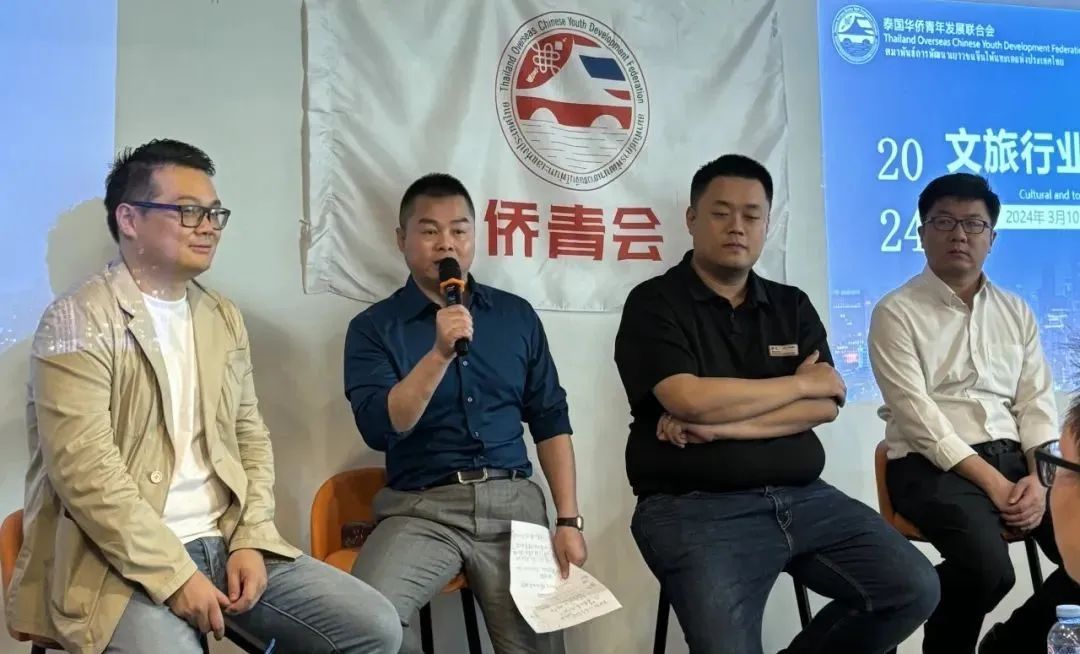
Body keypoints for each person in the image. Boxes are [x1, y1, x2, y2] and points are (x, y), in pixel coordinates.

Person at [5, 139, 402, 654]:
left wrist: (252, 537)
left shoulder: (221, 316)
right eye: (188, 211)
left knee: (374, 626)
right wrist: (174, 575)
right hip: (115, 562)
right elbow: (85, 473)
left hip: (225, 538)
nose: (209, 226)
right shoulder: (77, 319)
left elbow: (250, 438)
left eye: (215, 213)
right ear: (129, 219)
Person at [613, 154, 938, 654]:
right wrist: (798, 385)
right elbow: (688, 399)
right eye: (721, 213)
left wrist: (721, 427)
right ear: (692, 219)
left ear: (767, 224)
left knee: (913, 587)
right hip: (694, 507)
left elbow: (824, 406)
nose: (737, 227)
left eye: (752, 215)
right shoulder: (654, 302)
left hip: (806, 497)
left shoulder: (791, 305)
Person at [343, 173, 587, 654]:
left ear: (475, 236)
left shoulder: (516, 316)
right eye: (429, 230)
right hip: (421, 509)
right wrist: (438, 354)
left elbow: (550, 419)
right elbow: (380, 427)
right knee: (362, 622)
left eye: (459, 230)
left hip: (514, 508)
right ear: (401, 239)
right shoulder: (373, 328)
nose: (445, 244)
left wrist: (568, 521)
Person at [868, 172, 1064, 654]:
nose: (959, 234)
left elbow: (1036, 404)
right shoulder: (895, 312)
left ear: (991, 238)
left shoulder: (1016, 311)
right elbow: (918, 417)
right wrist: (996, 485)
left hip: (1018, 463)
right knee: (989, 571)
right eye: (944, 222)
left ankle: (1009, 644)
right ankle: (907, 605)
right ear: (922, 233)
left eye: (973, 224)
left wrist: (1040, 481)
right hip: (930, 466)